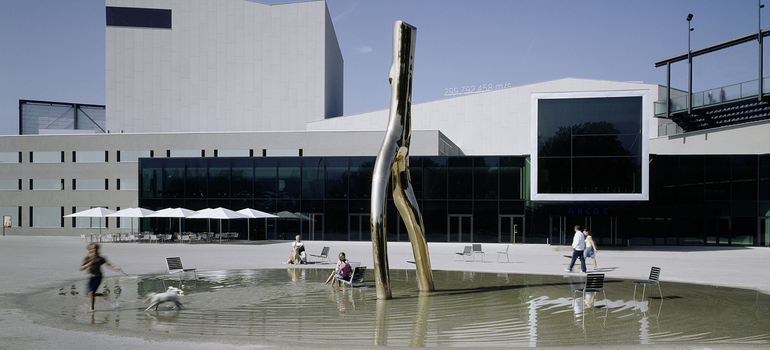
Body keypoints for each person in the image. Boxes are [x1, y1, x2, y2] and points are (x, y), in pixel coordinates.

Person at [80, 243, 120, 312]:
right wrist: (89, 264)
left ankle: (92, 308)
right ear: (89, 249)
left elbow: (108, 264)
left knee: (92, 292)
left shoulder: (100, 258)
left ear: (98, 249)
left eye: (95, 248)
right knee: (89, 294)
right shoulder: (87, 258)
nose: (94, 249)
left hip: (98, 276)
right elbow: (82, 267)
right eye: (92, 248)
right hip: (90, 276)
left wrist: (115, 268)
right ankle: (104, 294)